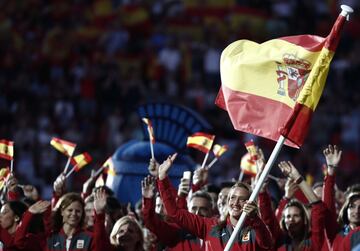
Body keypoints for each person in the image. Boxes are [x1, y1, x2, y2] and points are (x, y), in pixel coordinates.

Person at [157, 153, 273, 250]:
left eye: (242, 200)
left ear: (249, 202)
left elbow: (267, 244)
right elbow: (175, 213)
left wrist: (255, 219)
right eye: (232, 198)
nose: (236, 203)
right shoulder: (210, 226)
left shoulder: (254, 229)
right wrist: (162, 179)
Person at [15, 189, 109, 251]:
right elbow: (20, 242)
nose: (74, 214)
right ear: (62, 212)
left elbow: (101, 248)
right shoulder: (48, 238)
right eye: (70, 210)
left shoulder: (88, 237)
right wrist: (29, 214)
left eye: (78, 211)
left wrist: (100, 214)